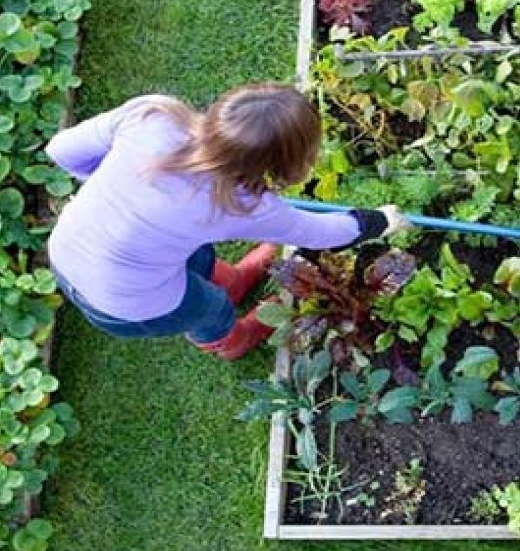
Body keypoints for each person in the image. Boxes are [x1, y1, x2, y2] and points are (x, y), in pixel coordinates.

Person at [45, 83, 411, 360]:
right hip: (122, 303)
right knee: (209, 306)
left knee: (187, 249)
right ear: (281, 167)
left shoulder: (152, 116)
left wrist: (109, 188)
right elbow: (321, 232)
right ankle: (232, 339)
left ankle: (234, 280)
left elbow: (61, 150)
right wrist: (380, 221)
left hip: (66, 250)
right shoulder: (239, 205)